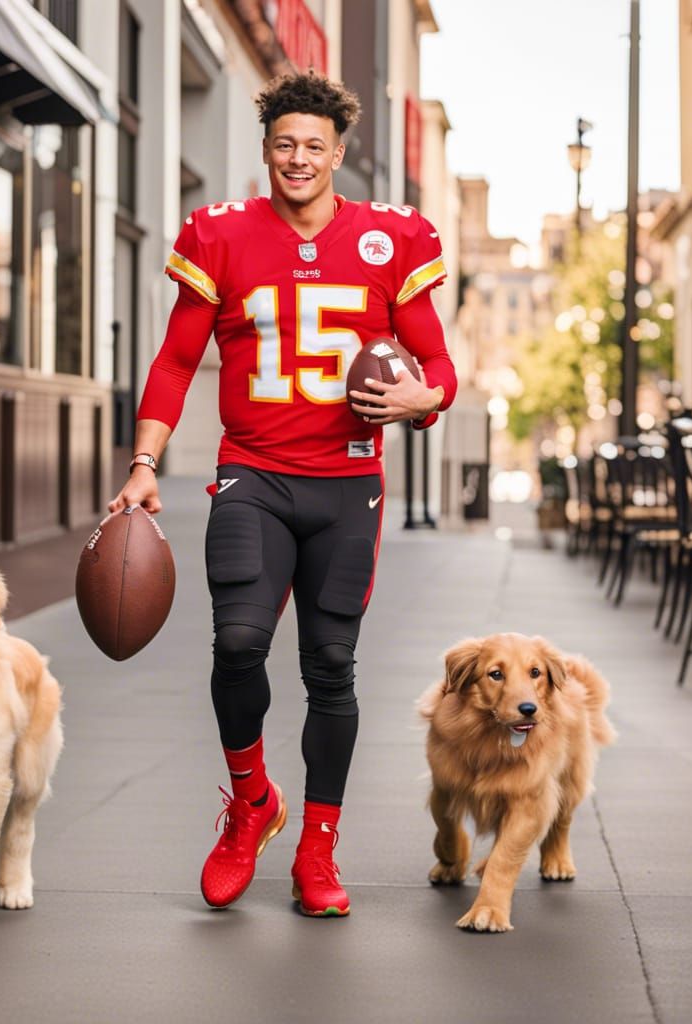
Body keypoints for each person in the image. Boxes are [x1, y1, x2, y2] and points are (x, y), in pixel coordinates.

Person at [108, 71, 456, 917]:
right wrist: (144, 462)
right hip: (253, 474)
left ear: (338, 154)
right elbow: (176, 361)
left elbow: (437, 366)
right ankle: (251, 803)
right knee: (237, 645)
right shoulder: (221, 234)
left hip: (347, 485)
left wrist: (425, 401)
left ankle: (317, 852)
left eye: (314, 146)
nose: (297, 158)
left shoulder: (390, 238)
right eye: (283, 144)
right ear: (266, 150)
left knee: (330, 666)